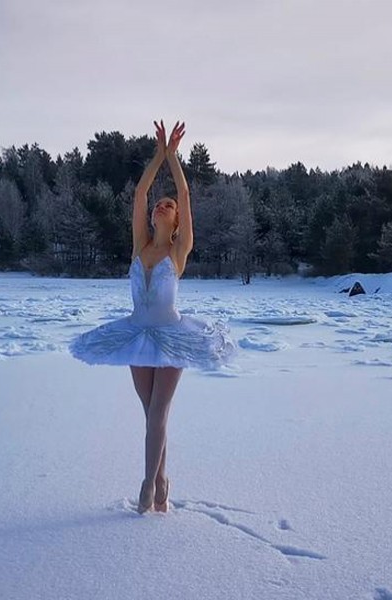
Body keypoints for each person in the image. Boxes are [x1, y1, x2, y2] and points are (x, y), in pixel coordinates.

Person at [69, 120, 235, 514]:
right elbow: (140, 193)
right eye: (159, 205)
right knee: (150, 415)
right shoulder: (139, 247)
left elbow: (185, 193)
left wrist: (173, 157)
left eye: (168, 206)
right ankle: (162, 480)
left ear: (176, 221)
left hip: (172, 337)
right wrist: (157, 155)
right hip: (136, 336)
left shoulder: (178, 252)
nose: (161, 205)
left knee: (159, 412)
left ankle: (147, 484)